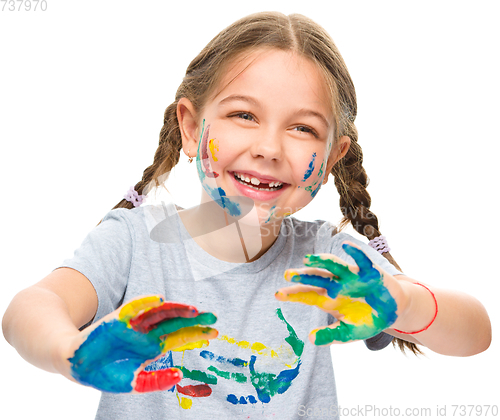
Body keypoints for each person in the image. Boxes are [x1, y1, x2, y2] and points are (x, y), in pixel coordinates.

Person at [2, 11, 491, 420]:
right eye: (244, 116)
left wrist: (402, 301)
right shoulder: (135, 241)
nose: (268, 148)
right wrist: (70, 353)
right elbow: (32, 307)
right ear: (191, 128)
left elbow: (475, 334)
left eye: (302, 128)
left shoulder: (330, 262)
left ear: (332, 157)